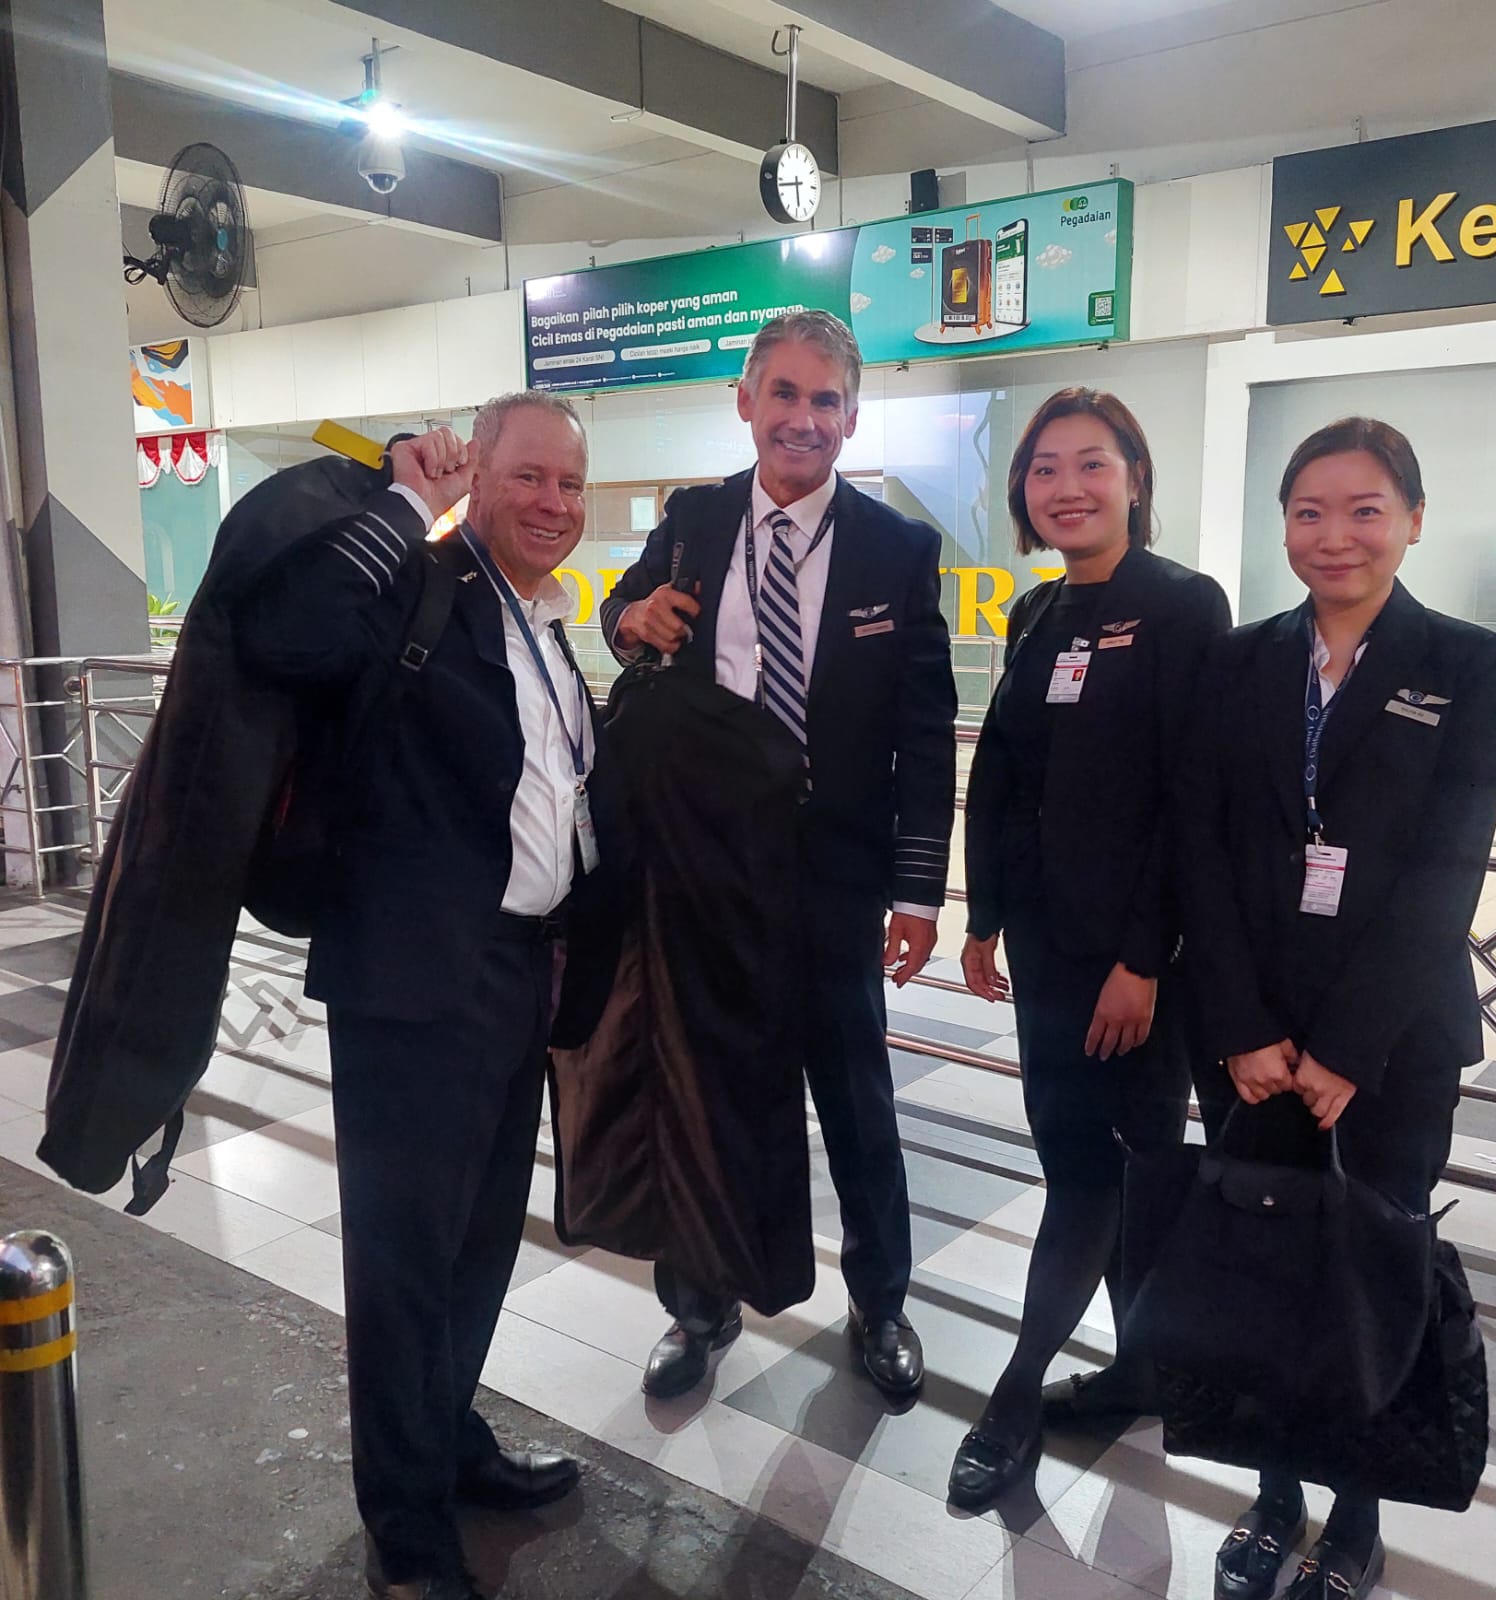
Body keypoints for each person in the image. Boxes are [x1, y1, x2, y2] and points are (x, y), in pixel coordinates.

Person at [234, 393, 609, 1600]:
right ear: (477, 478)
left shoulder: (546, 624)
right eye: (528, 476)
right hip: (409, 979)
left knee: (479, 1242)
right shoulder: (418, 587)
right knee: (403, 1264)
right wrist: (402, 499)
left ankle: (449, 1441)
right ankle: (404, 1521)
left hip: (515, 972)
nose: (552, 502)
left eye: (570, 483)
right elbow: (288, 633)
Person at [599, 310, 957, 1403]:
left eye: (826, 399)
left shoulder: (898, 548)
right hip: (702, 870)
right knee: (701, 1089)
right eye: (785, 393)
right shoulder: (695, 520)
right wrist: (630, 617)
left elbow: (923, 730)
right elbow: (622, 612)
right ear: (746, 401)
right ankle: (698, 1303)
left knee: (856, 1100)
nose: (804, 418)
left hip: (832, 877)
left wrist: (917, 890)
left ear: (852, 415)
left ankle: (880, 1301)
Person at [1180, 418, 1496, 1600]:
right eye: (1308, 511)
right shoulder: (1241, 658)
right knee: (1260, 1267)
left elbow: (1447, 870)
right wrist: (1239, 1027)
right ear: (1283, 525)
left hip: (1393, 1045)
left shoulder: (1465, 661)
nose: (1335, 535)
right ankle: (1273, 1492)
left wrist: (1346, 1050)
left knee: (1372, 1274)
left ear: (1412, 519)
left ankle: (1357, 1512)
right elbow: (1204, 846)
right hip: (1249, 1039)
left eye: (1365, 509)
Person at [946, 388, 1231, 1508]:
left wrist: (1145, 958)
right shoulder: (1034, 611)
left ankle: (1015, 1396)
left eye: (1091, 464)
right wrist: (981, 914)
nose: (1066, 487)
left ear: (1135, 479)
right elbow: (1000, 770)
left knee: (1090, 1173)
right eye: (1044, 468)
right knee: (1103, 1165)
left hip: (1133, 963)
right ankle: (1140, 1369)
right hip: (1046, 950)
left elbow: (1191, 799)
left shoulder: (1183, 607)